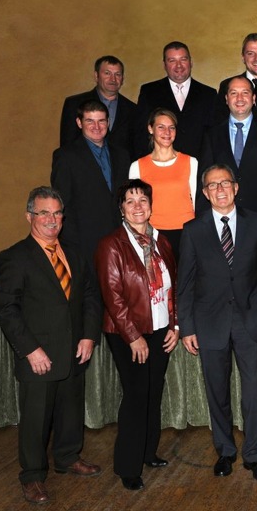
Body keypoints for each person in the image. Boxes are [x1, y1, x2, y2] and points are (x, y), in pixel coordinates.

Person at [0, 187, 102, 505]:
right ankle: (32, 476)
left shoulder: (75, 253)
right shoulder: (15, 257)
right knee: (36, 419)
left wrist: (89, 335)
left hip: (74, 351)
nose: (52, 219)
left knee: (71, 410)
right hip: (38, 356)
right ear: (29, 216)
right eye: (44, 213)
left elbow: (90, 295)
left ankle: (68, 458)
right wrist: (30, 350)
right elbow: (7, 309)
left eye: (57, 213)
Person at [177, 164, 257, 482]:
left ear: (236, 187)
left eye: (225, 183)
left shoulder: (256, 222)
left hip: (250, 321)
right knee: (217, 390)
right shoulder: (193, 230)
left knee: (252, 390)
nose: (220, 190)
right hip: (209, 323)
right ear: (205, 193)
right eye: (213, 185)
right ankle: (226, 451)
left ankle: (254, 455)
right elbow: (185, 283)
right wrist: (187, 328)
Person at [94, 179, 179, 491]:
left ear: (151, 206)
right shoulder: (111, 245)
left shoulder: (161, 241)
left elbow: (173, 287)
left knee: (153, 392)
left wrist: (175, 326)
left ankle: (147, 452)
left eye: (142, 199)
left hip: (160, 329)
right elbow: (113, 297)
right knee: (136, 395)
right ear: (122, 209)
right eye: (130, 201)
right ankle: (127, 466)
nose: (137, 206)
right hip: (127, 333)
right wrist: (133, 337)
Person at [199, 75, 257, 232]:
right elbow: (204, 180)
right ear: (226, 99)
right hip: (223, 221)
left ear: (254, 98)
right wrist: (203, 224)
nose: (239, 98)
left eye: (245, 93)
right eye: (234, 93)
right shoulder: (212, 135)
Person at [51, 99, 130, 270]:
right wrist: (72, 246)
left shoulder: (122, 155)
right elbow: (62, 204)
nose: (97, 126)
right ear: (79, 123)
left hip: (119, 239)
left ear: (108, 122)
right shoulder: (65, 156)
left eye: (101, 121)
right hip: (83, 244)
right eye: (90, 121)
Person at [129, 108, 197, 260]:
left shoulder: (191, 162)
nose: (167, 132)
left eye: (171, 128)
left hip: (186, 232)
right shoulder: (137, 166)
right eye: (161, 127)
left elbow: (196, 202)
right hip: (153, 233)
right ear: (150, 129)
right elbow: (134, 205)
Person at [134, 41, 216, 158]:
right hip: (160, 163)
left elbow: (213, 135)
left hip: (199, 164)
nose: (179, 65)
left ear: (191, 62)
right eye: (172, 60)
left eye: (183, 59)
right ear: (164, 65)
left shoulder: (209, 94)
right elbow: (141, 132)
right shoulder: (149, 92)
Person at [60, 55, 136, 157]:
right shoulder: (74, 104)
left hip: (122, 166)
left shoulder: (133, 109)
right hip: (82, 164)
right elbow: (67, 144)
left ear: (122, 79)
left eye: (117, 74)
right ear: (96, 76)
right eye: (107, 73)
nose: (113, 79)